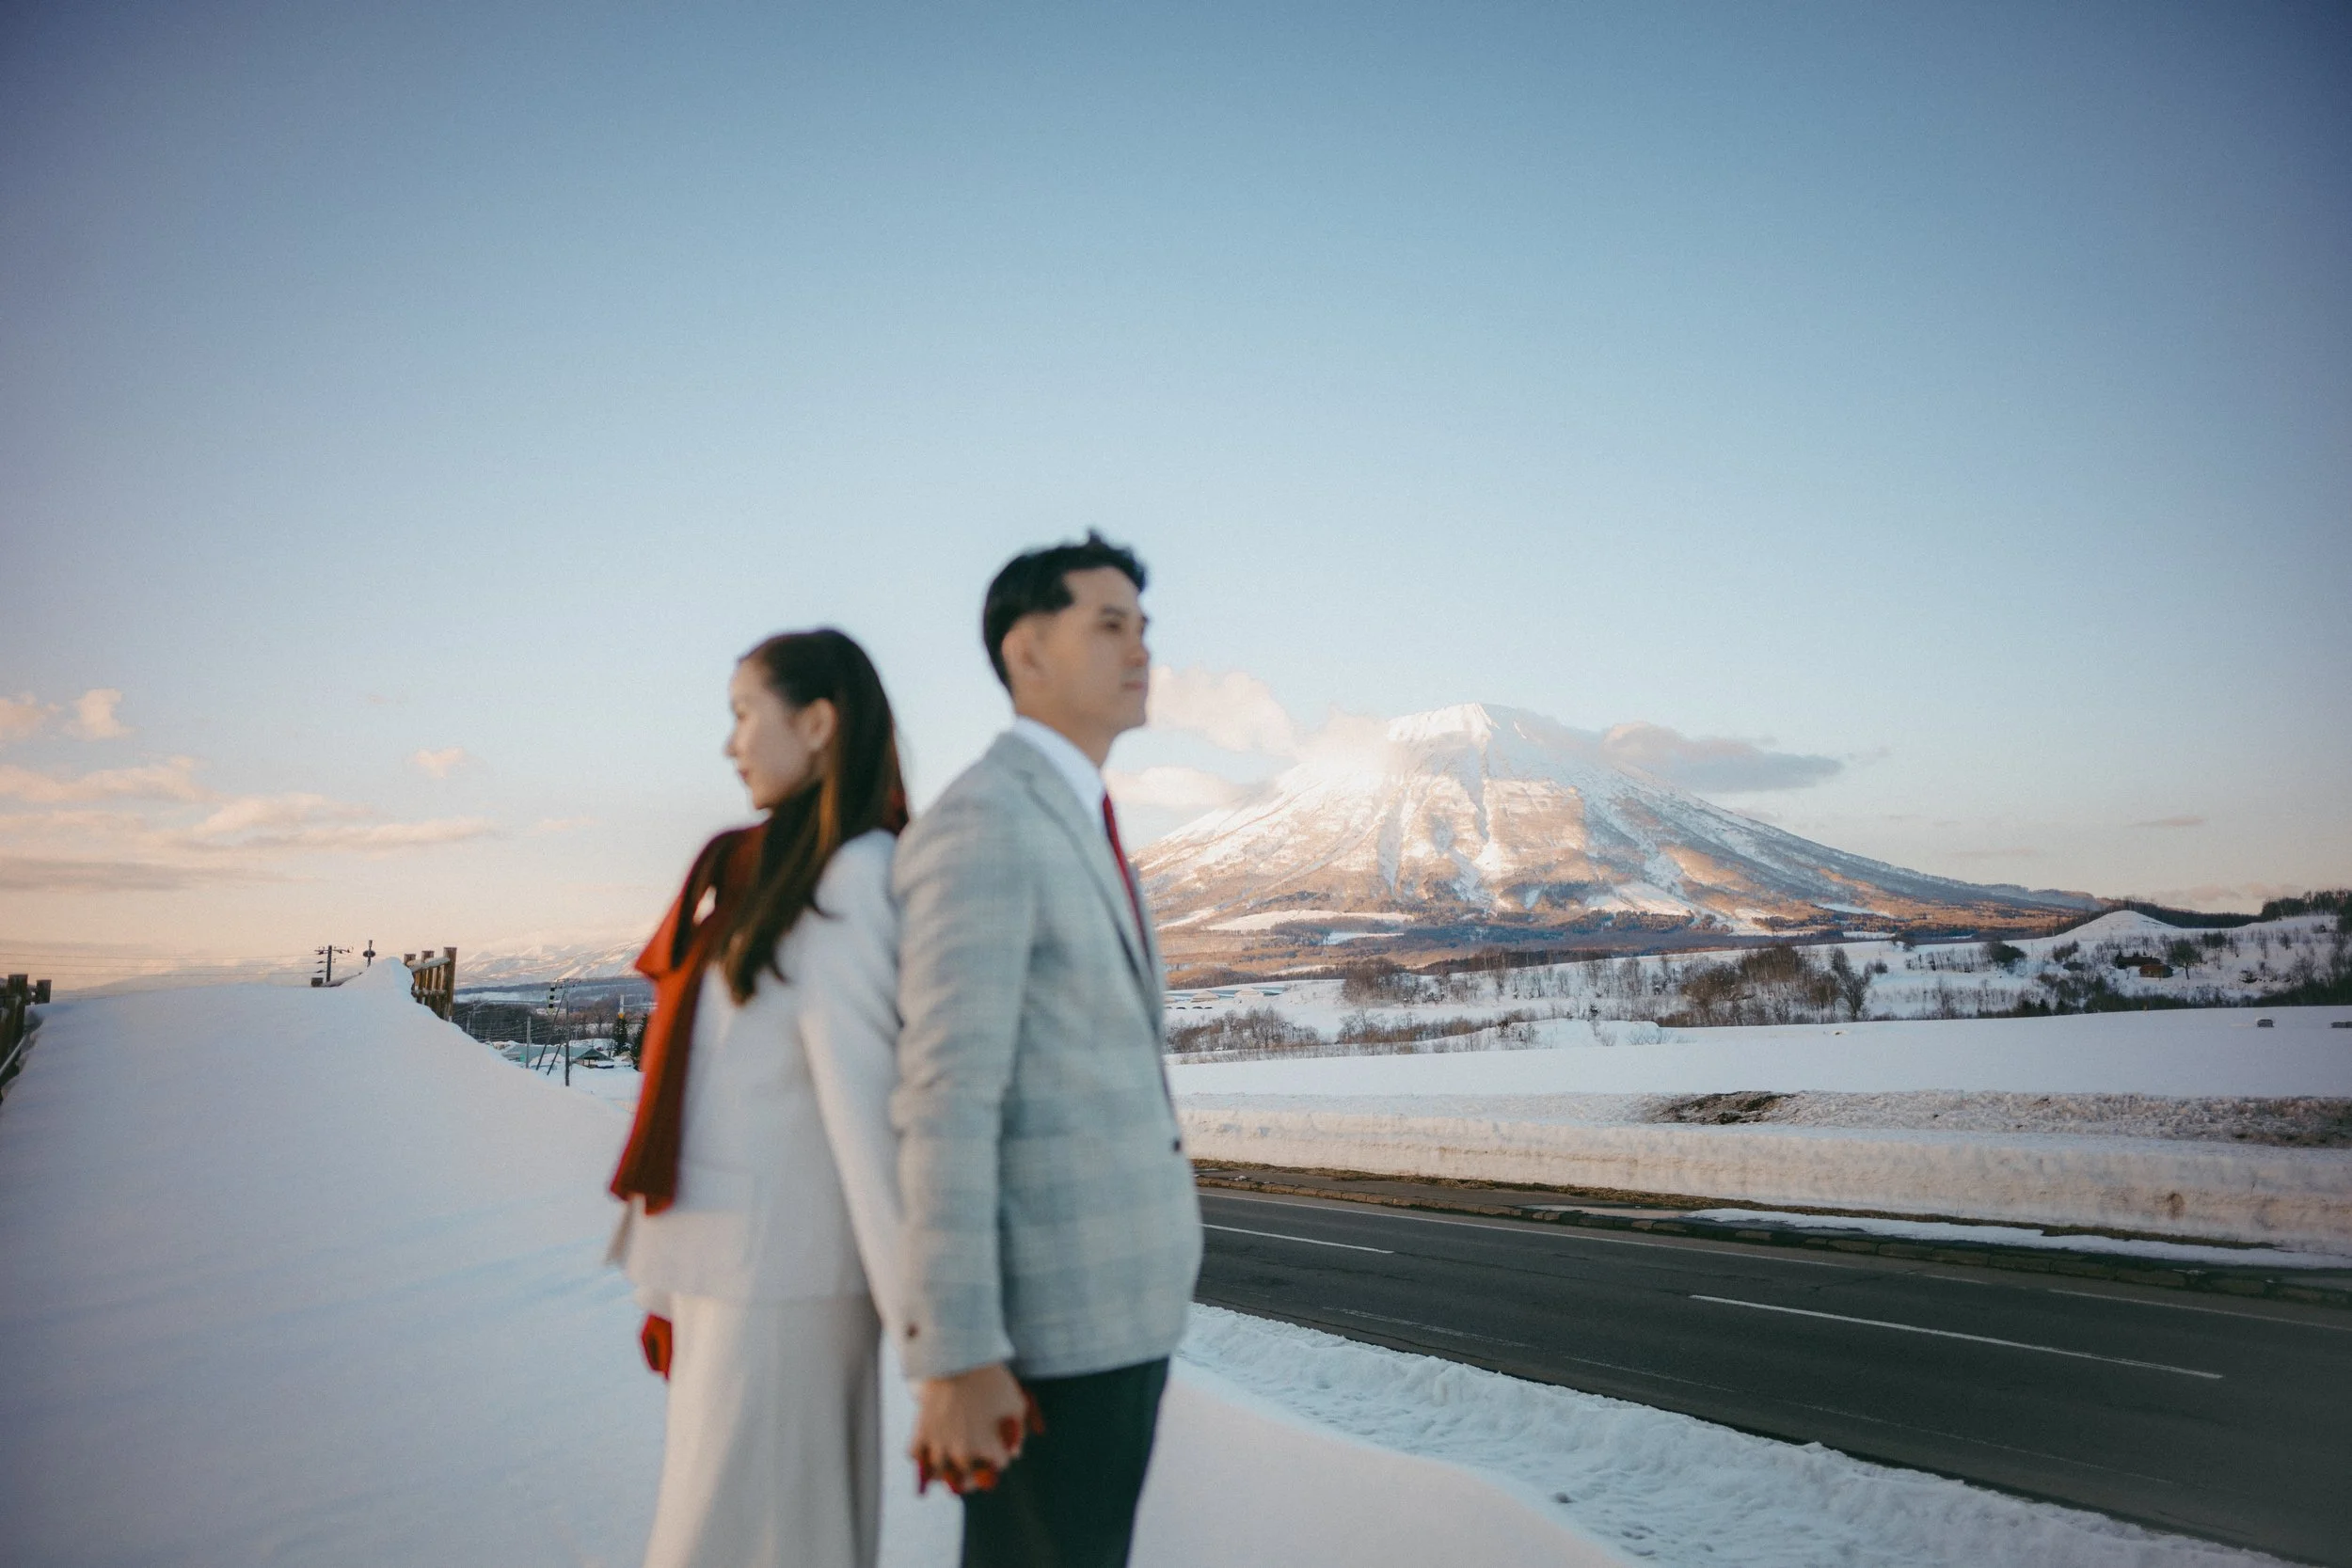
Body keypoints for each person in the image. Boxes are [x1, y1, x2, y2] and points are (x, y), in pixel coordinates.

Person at [892, 532, 1203, 1568]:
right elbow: (943, 1098)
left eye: (1143, 627)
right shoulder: (986, 819)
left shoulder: (1077, 812)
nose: (1140, 648)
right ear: (1026, 652)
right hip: (1045, 1332)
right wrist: (960, 1350)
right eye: (1107, 624)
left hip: (1119, 1310)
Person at [608, 628, 910, 1568]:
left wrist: (936, 1340)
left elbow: (871, 1121)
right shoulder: (767, 872)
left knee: (762, 1542)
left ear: (817, 722)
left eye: (744, 714)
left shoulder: (852, 877)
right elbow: (720, 1094)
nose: (730, 742)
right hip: (734, 1277)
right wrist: (667, 1281)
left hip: (790, 1287)